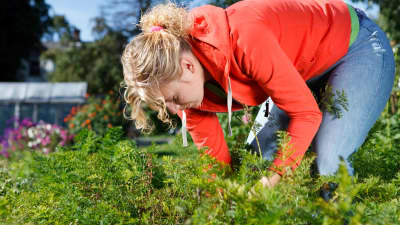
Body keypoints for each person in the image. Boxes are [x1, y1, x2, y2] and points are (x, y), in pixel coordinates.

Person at [121, 0, 395, 188]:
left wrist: (274, 179)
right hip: (302, 70)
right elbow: (216, 168)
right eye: (166, 102)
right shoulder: (185, 87)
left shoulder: (245, 37)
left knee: (327, 160)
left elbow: (306, 114)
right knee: (257, 159)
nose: (173, 109)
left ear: (188, 66)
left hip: (355, 45)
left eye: (173, 99)